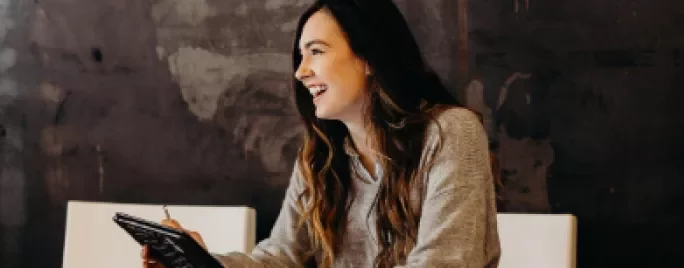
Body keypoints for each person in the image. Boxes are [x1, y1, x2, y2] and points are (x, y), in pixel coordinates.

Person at [142, 0, 500, 267]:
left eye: (316, 51)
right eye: (301, 56)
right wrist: (201, 263)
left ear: (369, 58)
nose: (301, 72)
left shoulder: (450, 133)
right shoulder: (321, 156)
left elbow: (443, 263)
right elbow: (282, 258)